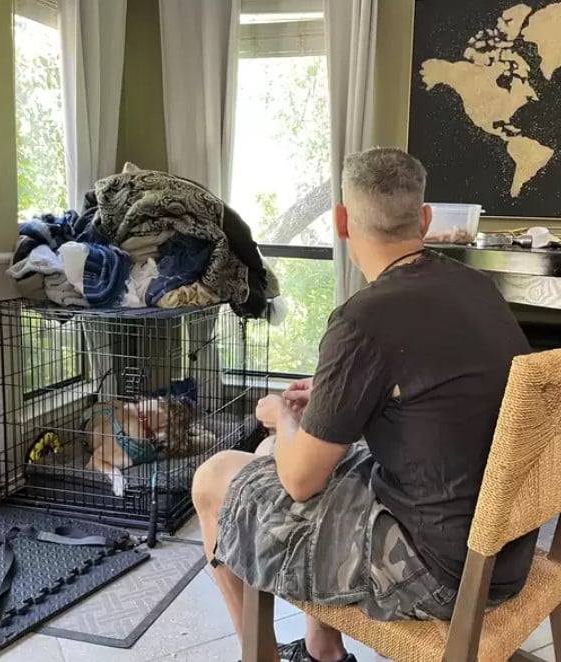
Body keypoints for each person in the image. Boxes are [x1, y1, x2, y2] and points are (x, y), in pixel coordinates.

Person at [192, 148, 536, 662]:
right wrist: (336, 393)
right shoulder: (476, 287)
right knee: (274, 459)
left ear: (341, 222)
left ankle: (258, 656)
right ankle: (321, 650)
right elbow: (429, 393)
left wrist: (280, 415)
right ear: (423, 219)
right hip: (502, 551)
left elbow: (301, 482)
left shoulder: (363, 319)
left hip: (439, 571)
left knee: (217, 477)